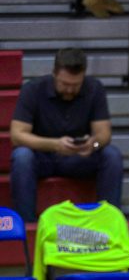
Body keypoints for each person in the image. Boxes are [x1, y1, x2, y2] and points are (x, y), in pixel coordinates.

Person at [9, 47, 123, 223]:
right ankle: (27, 226)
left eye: (75, 85)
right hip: (43, 157)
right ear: (54, 74)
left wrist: (92, 144)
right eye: (64, 84)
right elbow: (17, 135)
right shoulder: (32, 89)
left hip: (78, 157)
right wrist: (55, 144)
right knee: (21, 156)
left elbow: (104, 134)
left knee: (111, 155)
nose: (69, 90)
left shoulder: (94, 88)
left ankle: (108, 222)